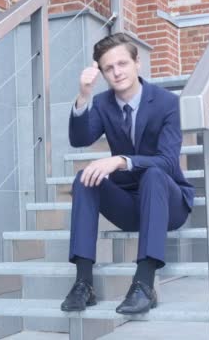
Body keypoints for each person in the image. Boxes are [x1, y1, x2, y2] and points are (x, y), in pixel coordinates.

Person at [59, 33, 195, 315]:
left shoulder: (167, 102)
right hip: (130, 205)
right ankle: (84, 283)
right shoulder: (103, 103)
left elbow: (168, 162)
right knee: (84, 178)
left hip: (168, 203)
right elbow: (79, 138)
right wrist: (84, 95)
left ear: (137, 63)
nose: (117, 72)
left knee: (155, 174)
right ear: (102, 72)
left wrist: (120, 161)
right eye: (109, 68)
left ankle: (144, 284)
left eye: (122, 63)